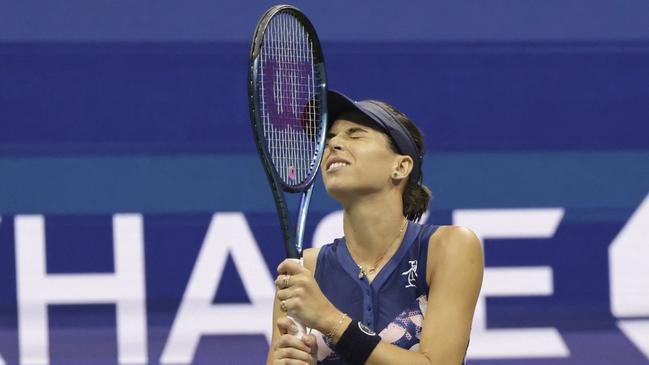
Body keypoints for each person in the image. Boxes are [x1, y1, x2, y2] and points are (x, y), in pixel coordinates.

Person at [267, 90, 484, 365]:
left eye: (355, 134)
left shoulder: (449, 247)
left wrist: (329, 320)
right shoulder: (304, 270)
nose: (333, 144)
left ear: (401, 166)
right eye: (329, 137)